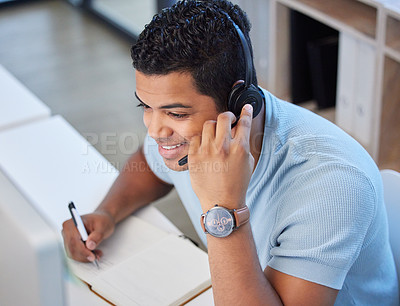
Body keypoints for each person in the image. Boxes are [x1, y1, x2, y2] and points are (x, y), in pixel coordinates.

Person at [62, 0, 399, 304]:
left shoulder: (332, 184)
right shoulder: (186, 137)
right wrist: (108, 212)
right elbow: (151, 164)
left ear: (241, 103)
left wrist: (223, 209)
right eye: (147, 106)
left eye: (176, 114)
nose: (155, 130)